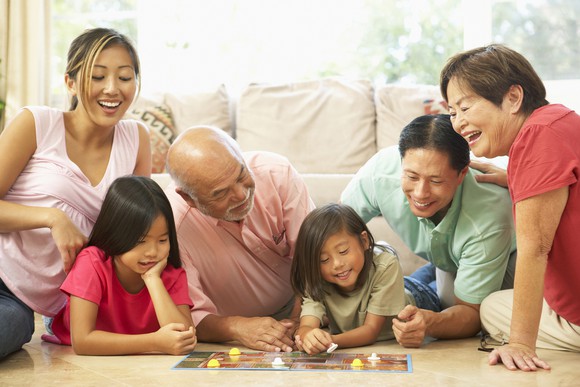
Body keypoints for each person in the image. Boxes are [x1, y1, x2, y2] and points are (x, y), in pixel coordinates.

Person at [0, 27, 151, 358]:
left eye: (125, 77)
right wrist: (52, 218)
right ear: (70, 82)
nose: (112, 89)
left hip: (27, 303)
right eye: (97, 76)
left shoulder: (137, 139)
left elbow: (141, 232)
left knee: (9, 329)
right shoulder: (37, 124)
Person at [441, 44, 580, 372]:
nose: (458, 123)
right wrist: (515, 179)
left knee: (490, 308)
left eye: (465, 107)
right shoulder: (559, 121)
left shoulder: (536, 137)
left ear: (513, 98)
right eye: (452, 112)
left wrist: (519, 343)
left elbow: (535, 248)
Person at [340, 114, 517, 348]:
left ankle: (428, 280)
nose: (421, 193)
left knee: (445, 305)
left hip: (503, 260)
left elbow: (471, 315)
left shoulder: (488, 220)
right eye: (411, 176)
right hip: (449, 258)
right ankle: (429, 275)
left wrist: (430, 323)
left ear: (462, 174)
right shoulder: (380, 172)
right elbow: (331, 232)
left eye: (436, 181)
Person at [164, 125, 315, 352]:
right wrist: (235, 327)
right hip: (230, 331)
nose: (241, 195)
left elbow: (315, 257)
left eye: (241, 175)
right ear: (189, 198)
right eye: (221, 193)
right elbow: (187, 317)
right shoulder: (172, 226)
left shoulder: (277, 173)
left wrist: (301, 320)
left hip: (305, 304)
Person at [41, 176, 196, 355]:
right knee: (60, 317)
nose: (153, 252)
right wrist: (154, 342)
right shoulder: (91, 263)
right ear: (116, 235)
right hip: (73, 326)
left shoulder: (170, 272)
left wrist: (153, 280)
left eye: (162, 240)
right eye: (140, 241)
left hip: (123, 331)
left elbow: (182, 337)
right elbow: (82, 341)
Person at [291, 203, 415, 355]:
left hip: (416, 294)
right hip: (389, 284)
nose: (337, 264)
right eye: (323, 260)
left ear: (364, 241)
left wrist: (328, 340)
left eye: (343, 251)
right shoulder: (317, 277)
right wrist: (307, 337)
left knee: (433, 285)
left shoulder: (386, 266)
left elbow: (370, 331)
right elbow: (307, 326)